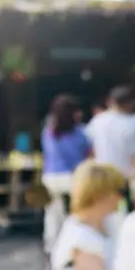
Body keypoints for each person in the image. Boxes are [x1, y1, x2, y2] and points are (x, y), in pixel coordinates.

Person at [49, 160, 126, 270]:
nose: (121, 197)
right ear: (101, 194)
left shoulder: (109, 224)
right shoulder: (80, 239)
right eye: (119, 191)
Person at [41, 95, 92, 254]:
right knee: (73, 216)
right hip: (71, 178)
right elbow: (88, 154)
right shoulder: (79, 132)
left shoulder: (49, 131)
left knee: (52, 215)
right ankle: (70, 248)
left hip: (50, 178)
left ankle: (51, 247)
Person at [85, 86, 135, 180]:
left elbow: (89, 150)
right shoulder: (132, 124)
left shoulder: (97, 121)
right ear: (129, 103)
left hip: (101, 176)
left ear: (111, 101)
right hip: (124, 177)